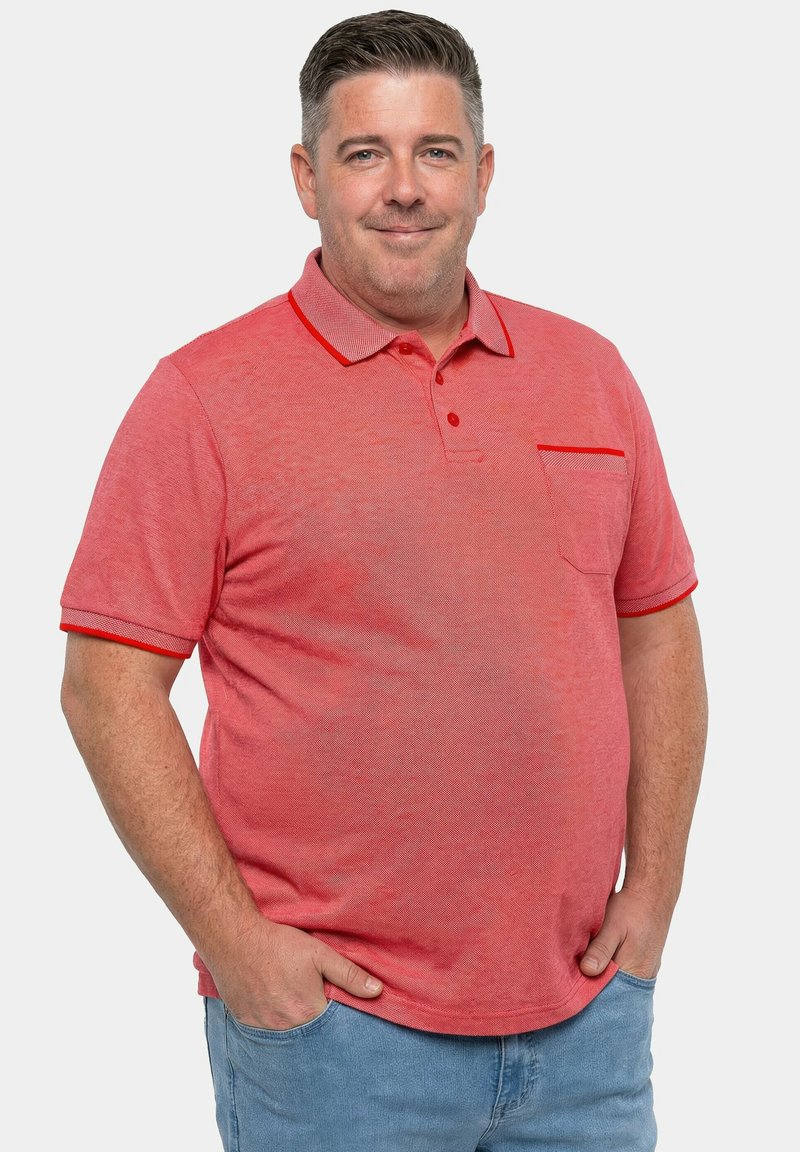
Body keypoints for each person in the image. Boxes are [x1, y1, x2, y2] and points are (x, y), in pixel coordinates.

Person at [60, 10, 708, 1151]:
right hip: (334, 1042)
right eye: (365, 153)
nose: (404, 188)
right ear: (306, 178)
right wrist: (235, 944)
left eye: (434, 152)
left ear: (484, 174)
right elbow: (106, 685)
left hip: (587, 1025)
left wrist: (652, 891)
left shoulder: (589, 373)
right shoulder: (203, 399)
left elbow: (655, 628)